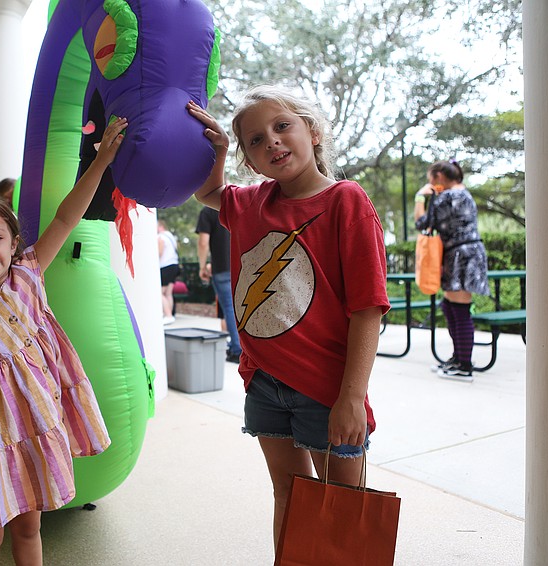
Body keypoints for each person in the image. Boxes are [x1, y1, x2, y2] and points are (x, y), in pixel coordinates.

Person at [187, 86, 389, 551]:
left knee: (342, 507)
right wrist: (218, 149)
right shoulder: (251, 203)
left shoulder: (346, 200)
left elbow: (367, 308)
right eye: (255, 141)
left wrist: (353, 397)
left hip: (328, 387)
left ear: (312, 131)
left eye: (282, 127)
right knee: (289, 495)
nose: (272, 142)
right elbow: (209, 191)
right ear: (250, 162)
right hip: (265, 382)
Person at [0, 117, 126, 565]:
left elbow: (66, 215)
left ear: (13, 242)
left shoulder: (27, 275)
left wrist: (98, 163)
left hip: (36, 423)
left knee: (29, 526)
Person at [415, 160, 489, 381]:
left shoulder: (446, 197)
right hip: (466, 254)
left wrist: (420, 196)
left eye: (430, 179)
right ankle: (458, 358)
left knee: (459, 309)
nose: (430, 184)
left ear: (438, 176)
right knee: (450, 306)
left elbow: (422, 224)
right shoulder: (464, 194)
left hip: (460, 255)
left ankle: (464, 365)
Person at [196, 206, 242, 363]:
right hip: (242, 265)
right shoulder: (235, 206)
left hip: (222, 269)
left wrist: (202, 266)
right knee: (243, 307)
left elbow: (203, 242)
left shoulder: (207, 212)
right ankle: (247, 349)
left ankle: (237, 350)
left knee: (229, 309)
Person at [157, 219, 180, 325]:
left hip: (165, 266)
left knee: (160, 292)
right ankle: (170, 314)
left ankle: (168, 315)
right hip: (174, 265)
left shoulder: (160, 237)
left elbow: (160, 253)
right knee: (168, 293)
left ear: (160, 226)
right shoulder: (170, 236)